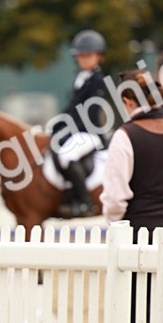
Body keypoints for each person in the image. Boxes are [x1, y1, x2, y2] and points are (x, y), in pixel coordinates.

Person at [100, 68, 163, 323]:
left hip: (139, 236)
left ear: (128, 100)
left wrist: (114, 225)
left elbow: (115, 198)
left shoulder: (126, 135)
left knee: (133, 317)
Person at [48, 29, 110, 217]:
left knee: (67, 155)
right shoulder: (80, 77)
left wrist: (69, 130)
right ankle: (68, 196)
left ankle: (85, 202)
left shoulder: (98, 81)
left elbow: (89, 113)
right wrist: (58, 123)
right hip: (77, 130)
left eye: (88, 55)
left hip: (90, 132)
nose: (84, 59)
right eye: (81, 55)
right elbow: (72, 108)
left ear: (99, 56)